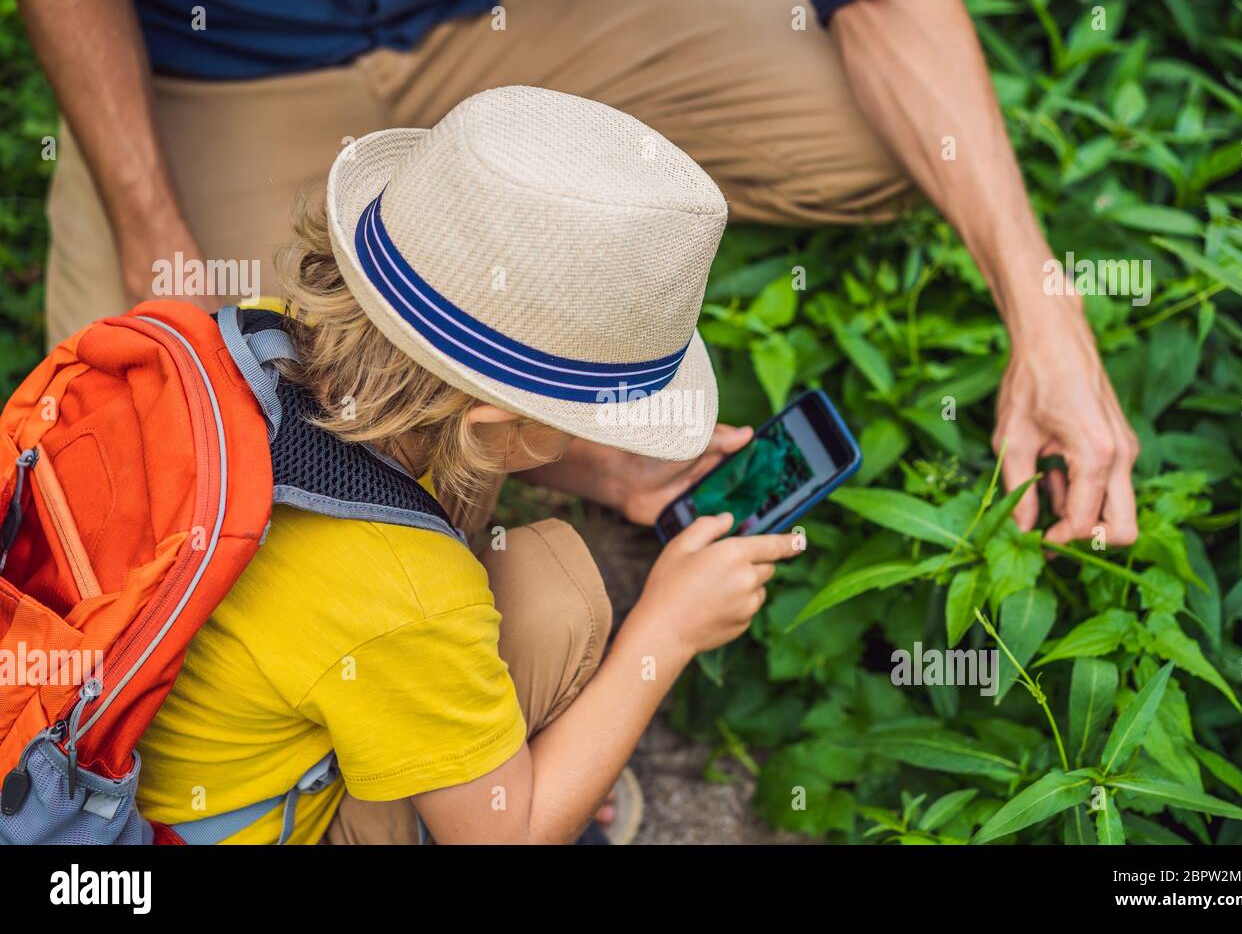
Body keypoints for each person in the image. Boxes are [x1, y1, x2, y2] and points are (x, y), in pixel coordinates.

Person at [8, 0, 1140, 552]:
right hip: (215, 63)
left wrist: (1047, 318)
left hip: (516, 8)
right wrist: (156, 236)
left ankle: (493, 353)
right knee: (157, 449)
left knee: (865, 134)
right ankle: (507, 432)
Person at [134, 86, 801, 844]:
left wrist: (604, 474)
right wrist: (665, 634)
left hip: (127, 759)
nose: (594, 432)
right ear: (496, 417)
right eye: (577, 421)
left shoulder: (257, 337)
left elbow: (418, 439)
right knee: (556, 599)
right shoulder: (410, 597)